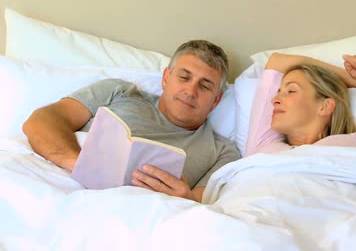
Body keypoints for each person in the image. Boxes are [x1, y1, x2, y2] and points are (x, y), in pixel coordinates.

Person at [23, 40, 241, 203]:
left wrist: (185, 200)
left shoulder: (222, 152)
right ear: (166, 78)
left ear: (216, 100)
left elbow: (203, 210)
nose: (190, 91)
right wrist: (79, 163)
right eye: (184, 77)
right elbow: (41, 121)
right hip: (57, 187)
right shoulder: (118, 92)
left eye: (204, 86)